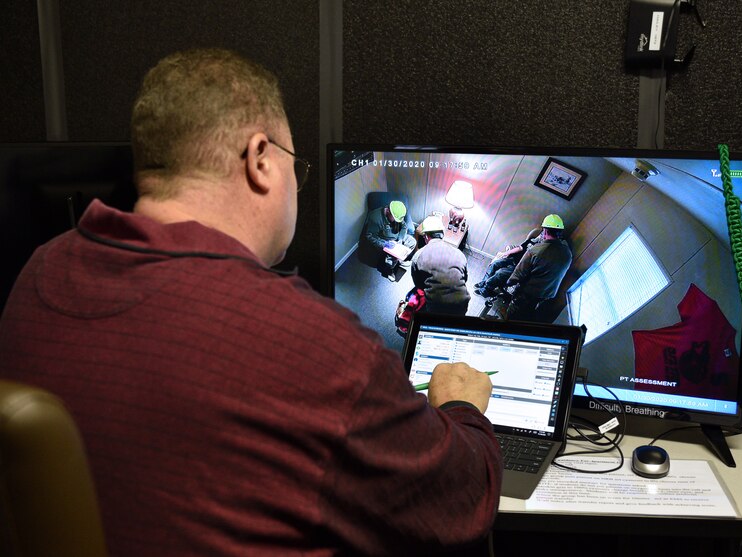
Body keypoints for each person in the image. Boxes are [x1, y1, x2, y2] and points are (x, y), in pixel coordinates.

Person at [0, 49, 502, 556]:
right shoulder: (314, 343)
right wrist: (461, 407)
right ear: (261, 160)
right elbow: (464, 499)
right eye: (296, 167)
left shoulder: (39, 271)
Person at [505, 214, 573, 321]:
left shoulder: (536, 251)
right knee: (528, 313)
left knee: (514, 313)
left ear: (545, 231)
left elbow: (517, 275)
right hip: (546, 296)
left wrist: (509, 283)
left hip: (527, 293)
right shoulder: (567, 253)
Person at [411, 216, 471, 315]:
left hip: (436, 306)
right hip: (462, 303)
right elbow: (465, 278)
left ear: (426, 236)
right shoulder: (459, 254)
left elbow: (419, 285)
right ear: (442, 235)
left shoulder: (418, 256)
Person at [474, 226, 543, 298]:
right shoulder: (532, 240)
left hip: (519, 267)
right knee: (495, 264)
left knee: (500, 273)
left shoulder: (541, 250)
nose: (541, 235)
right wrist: (505, 253)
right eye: (541, 233)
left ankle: (485, 290)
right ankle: (483, 282)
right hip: (513, 259)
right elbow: (520, 248)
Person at [362, 199, 418, 281]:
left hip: (397, 237)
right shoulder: (375, 218)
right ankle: (389, 270)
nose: (396, 221)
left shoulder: (397, 214)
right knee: (392, 256)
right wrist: (384, 244)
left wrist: (400, 239)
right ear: (388, 211)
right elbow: (370, 236)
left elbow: (404, 227)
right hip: (386, 241)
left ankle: (399, 259)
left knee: (412, 241)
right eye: (394, 218)